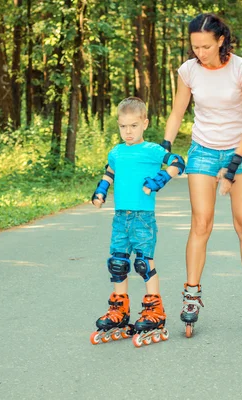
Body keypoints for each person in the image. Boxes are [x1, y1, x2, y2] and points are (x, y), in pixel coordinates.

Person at [161, 13, 242, 336]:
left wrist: (235, 164)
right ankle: (191, 297)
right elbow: (177, 112)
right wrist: (165, 147)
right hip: (202, 152)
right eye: (195, 46)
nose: (200, 52)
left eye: (206, 46)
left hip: (239, 150)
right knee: (201, 223)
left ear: (221, 40)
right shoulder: (189, 71)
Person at [89, 97, 185, 347]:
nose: (128, 132)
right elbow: (110, 171)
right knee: (118, 263)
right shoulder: (116, 151)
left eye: (133, 126)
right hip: (121, 217)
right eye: (123, 127)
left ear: (145, 123)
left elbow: (178, 162)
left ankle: (154, 310)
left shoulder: (152, 150)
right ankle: (119, 310)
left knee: (143, 262)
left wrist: (159, 180)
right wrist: (101, 191)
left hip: (143, 217)